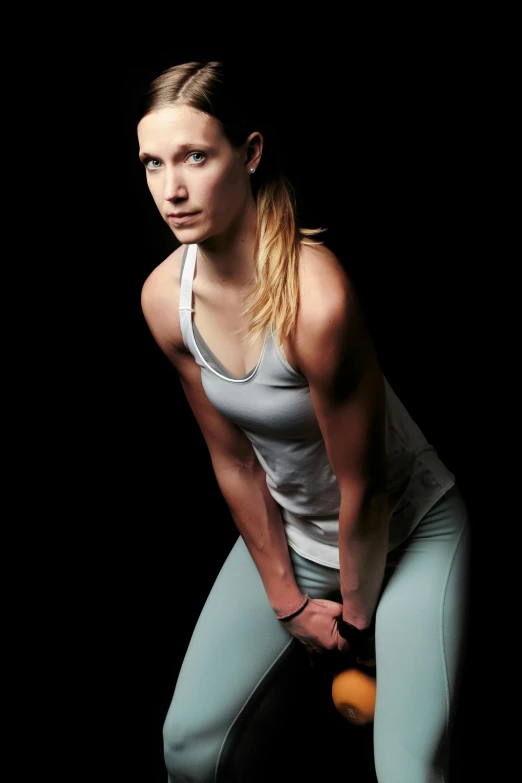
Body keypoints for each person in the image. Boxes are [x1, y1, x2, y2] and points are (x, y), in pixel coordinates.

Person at [138, 60, 470, 783]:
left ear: (249, 153)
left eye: (196, 156)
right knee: (186, 745)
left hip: (407, 530)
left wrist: (354, 625)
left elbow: (368, 489)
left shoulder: (317, 300)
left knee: (407, 771)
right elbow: (233, 460)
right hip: (298, 529)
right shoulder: (166, 298)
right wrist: (289, 603)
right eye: (154, 163)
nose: (173, 188)